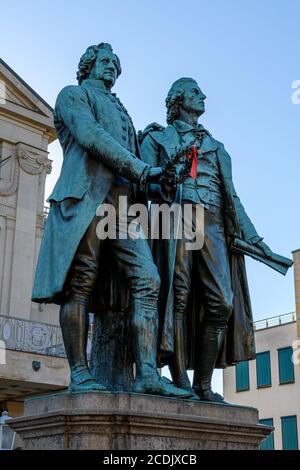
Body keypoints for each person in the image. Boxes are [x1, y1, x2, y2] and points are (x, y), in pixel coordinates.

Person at [32, 44, 191, 398]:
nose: (112, 69)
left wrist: (158, 181)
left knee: (148, 279)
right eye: (105, 62)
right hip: (85, 199)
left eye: (116, 66)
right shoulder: (73, 95)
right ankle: (80, 373)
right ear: (88, 65)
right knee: (81, 284)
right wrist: (142, 168)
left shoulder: (124, 112)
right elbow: (93, 138)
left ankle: (147, 374)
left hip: (122, 210)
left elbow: (136, 167)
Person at [140, 77, 272, 402]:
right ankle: (181, 380)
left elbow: (234, 199)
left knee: (222, 303)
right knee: (177, 296)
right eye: (196, 92)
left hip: (213, 224)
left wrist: (255, 238)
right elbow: (141, 182)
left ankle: (203, 383)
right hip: (176, 216)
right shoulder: (157, 138)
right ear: (178, 99)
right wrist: (165, 185)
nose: (203, 97)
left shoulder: (218, 148)